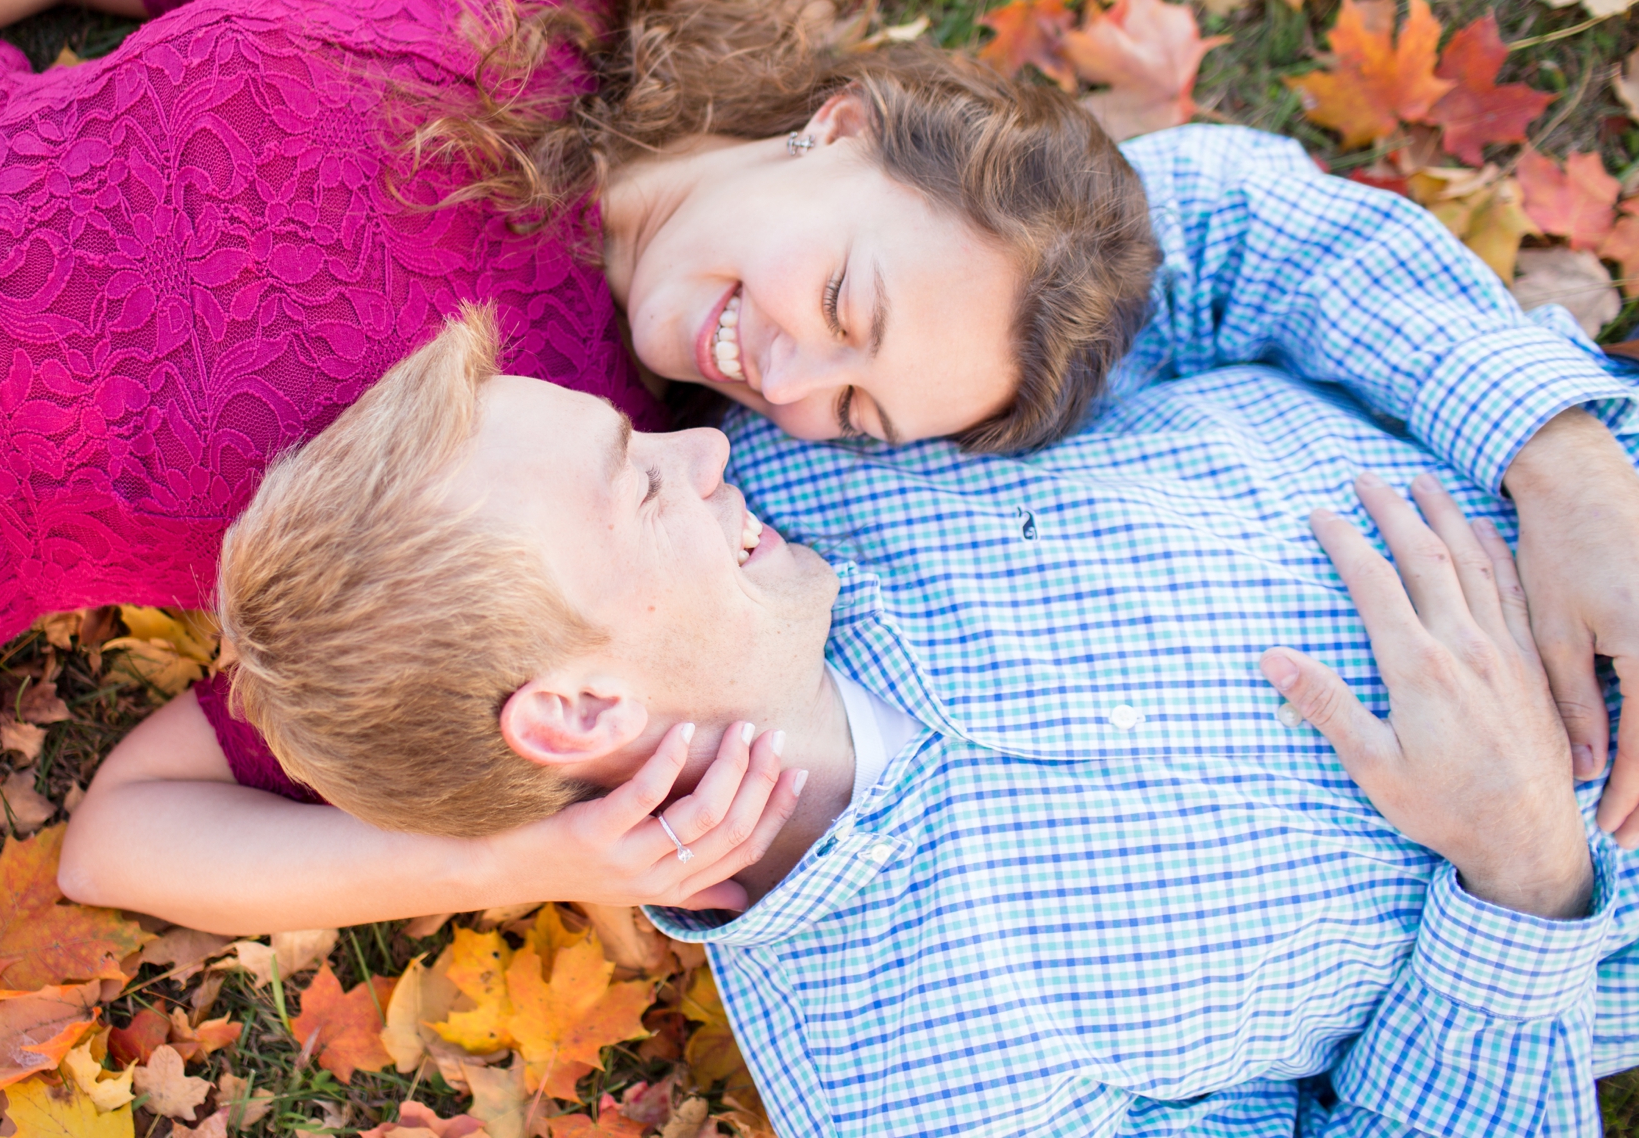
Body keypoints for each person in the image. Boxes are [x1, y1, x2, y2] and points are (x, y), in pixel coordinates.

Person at [0, 0, 1639, 855]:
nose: (781, 378)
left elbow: (155, 816)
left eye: (851, 406)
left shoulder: (572, 483)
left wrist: (577, 856)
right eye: (843, 302)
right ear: (840, 124)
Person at [183, 310, 1639, 1135]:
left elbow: (1207, 227)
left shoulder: (824, 437)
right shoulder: (921, 1088)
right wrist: (1519, 878)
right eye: (640, 481)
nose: (703, 441)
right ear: (580, 706)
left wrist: (1564, 463)